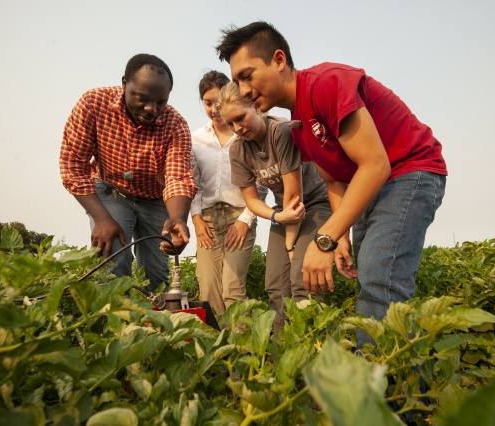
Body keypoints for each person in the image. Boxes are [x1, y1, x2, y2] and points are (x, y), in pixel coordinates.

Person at [215, 22, 448, 349]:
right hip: (369, 185)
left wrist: (323, 239)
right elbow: (334, 181)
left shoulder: (325, 83)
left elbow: (376, 164)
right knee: (370, 280)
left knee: (381, 281)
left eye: (248, 75)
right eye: (237, 80)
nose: (242, 88)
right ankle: (384, 383)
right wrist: (338, 237)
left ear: (279, 60)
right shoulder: (298, 128)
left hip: (409, 172)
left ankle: (383, 393)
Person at [60, 54, 196, 292]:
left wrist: (177, 219)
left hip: (154, 199)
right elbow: (73, 167)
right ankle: (119, 323)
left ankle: (157, 325)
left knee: (157, 272)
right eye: (142, 99)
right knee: (114, 253)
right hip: (110, 189)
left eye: (161, 102)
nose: (151, 109)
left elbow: (177, 177)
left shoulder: (176, 125)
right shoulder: (93, 104)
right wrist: (102, 219)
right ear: (124, 84)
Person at [215, 81, 332, 335]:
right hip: (285, 211)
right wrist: (277, 215)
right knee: (276, 285)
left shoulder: (281, 132)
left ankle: (314, 356)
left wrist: (290, 246)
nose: (237, 128)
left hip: (314, 204)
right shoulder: (238, 149)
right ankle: (281, 360)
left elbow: (295, 197)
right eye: (231, 124)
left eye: (240, 118)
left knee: (302, 280)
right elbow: (252, 200)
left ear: (256, 107)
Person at [190, 70, 267, 317]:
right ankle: (216, 352)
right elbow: (194, 183)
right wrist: (196, 219)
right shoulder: (196, 139)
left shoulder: (245, 132)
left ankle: (242, 352)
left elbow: (262, 181)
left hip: (239, 216)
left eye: (217, 102)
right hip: (208, 222)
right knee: (208, 293)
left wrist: (246, 221)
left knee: (233, 292)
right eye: (207, 103)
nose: (214, 109)